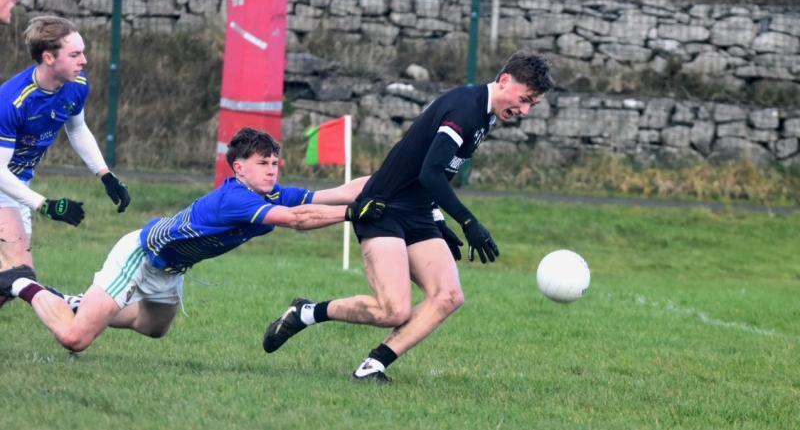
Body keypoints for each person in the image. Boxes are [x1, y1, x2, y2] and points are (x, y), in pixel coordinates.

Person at [263, 50, 554, 382]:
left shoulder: (486, 113)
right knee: (393, 310)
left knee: (448, 295)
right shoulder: (465, 108)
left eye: (533, 105)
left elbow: (433, 174)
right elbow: (431, 172)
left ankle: (374, 365)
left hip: (417, 210)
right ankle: (306, 313)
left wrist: (439, 222)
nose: (526, 111)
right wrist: (468, 221)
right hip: (384, 207)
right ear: (505, 81)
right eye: (525, 99)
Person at [0, 127, 383, 352]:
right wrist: (354, 213)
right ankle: (20, 283)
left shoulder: (272, 192)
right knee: (74, 338)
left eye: (273, 162)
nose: (271, 170)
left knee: (152, 328)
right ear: (238, 168)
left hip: (171, 270)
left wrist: (394, 181)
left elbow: (339, 191)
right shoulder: (233, 197)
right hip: (142, 255)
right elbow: (299, 220)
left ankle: (77, 302)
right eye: (262, 163)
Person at [0, 16, 130, 309]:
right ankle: (69, 305)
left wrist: (105, 175)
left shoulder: (76, 85)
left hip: (18, 184)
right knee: (20, 272)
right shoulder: (13, 102)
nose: (84, 60)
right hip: (4, 183)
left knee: (10, 283)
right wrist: (44, 205)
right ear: (48, 57)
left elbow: (77, 128)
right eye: (74, 54)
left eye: (83, 52)